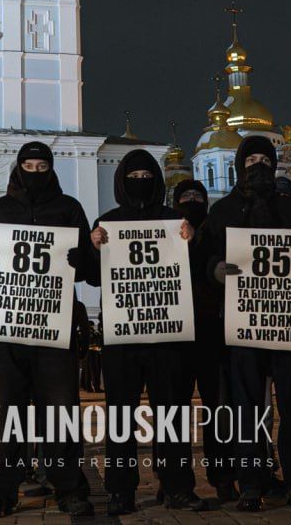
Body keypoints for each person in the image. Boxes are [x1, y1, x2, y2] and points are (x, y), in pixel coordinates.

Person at [0, 141, 96, 518]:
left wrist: (81, 259)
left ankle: (69, 488)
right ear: (19, 167)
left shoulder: (68, 207)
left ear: (51, 168)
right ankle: (0, 490)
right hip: (8, 328)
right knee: (4, 414)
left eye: (42, 166)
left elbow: (89, 271)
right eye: (30, 165)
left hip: (53, 327)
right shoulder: (0, 209)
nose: (36, 171)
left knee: (60, 412)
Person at [202, 135, 291, 512]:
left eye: (265, 159)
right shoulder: (222, 211)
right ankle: (251, 483)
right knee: (247, 408)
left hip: (287, 321)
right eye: (251, 158)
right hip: (244, 323)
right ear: (240, 164)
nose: (258, 165)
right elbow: (203, 257)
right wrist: (216, 269)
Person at [87, 149, 210, 514]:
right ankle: (120, 490)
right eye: (133, 176)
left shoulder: (175, 220)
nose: (140, 182)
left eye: (145, 175)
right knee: (121, 416)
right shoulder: (107, 222)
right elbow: (94, 277)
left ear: (156, 180)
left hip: (167, 335)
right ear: (122, 182)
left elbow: (195, 271)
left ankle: (177, 487)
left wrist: (192, 240)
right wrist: (94, 247)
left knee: (172, 413)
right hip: (123, 337)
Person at [174, 178, 238, 500]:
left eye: (198, 196)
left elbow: (218, 265)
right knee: (174, 410)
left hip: (212, 330)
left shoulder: (214, 230)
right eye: (186, 196)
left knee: (217, 408)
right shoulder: (167, 231)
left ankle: (223, 476)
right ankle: (173, 480)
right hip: (176, 335)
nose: (193, 200)